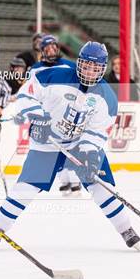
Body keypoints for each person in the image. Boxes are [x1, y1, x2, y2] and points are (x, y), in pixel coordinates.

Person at [0, 41, 140, 251]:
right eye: (86, 66)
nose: (90, 71)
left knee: (101, 187)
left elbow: (97, 131)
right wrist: (38, 118)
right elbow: (26, 94)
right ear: (79, 63)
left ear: (103, 68)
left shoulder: (107, 97)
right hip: (48, 143)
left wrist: (88, 152)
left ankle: (125, 228)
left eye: (95, 68)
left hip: (78, 144)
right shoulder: (55, 75)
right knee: (26, 187)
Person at [29, 34, 81, 196]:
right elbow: (31, 93)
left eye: (54, 47)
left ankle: (75, 180)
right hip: (45, 115)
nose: (51, 50)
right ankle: (63, 181)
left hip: (65, 114)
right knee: (48, 148)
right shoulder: (35, 68)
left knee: (68, 146)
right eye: (47, 48)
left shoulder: (69, 66)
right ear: (42, 51)